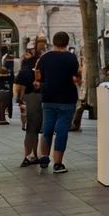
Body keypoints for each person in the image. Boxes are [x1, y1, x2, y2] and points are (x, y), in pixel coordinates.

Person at [35, 31, 82, 174]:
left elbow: (38, 76)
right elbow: (77, 75)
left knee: (47, 129)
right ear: (67, 43)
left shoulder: (44, 57)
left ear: (53, 42)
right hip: (67, 98)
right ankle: (58, 163)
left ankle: (44, 156)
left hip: (49, 96)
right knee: (61, 131)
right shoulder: (71, 57)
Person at [16, 48, 44, 165]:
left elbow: (19, 90)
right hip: (41, 100)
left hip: (29, 100)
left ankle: (28, 155)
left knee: (30, 130)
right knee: (36, 130)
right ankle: (34, 155)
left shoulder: (22, 73)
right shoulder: (39, 72)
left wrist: (20, 102)